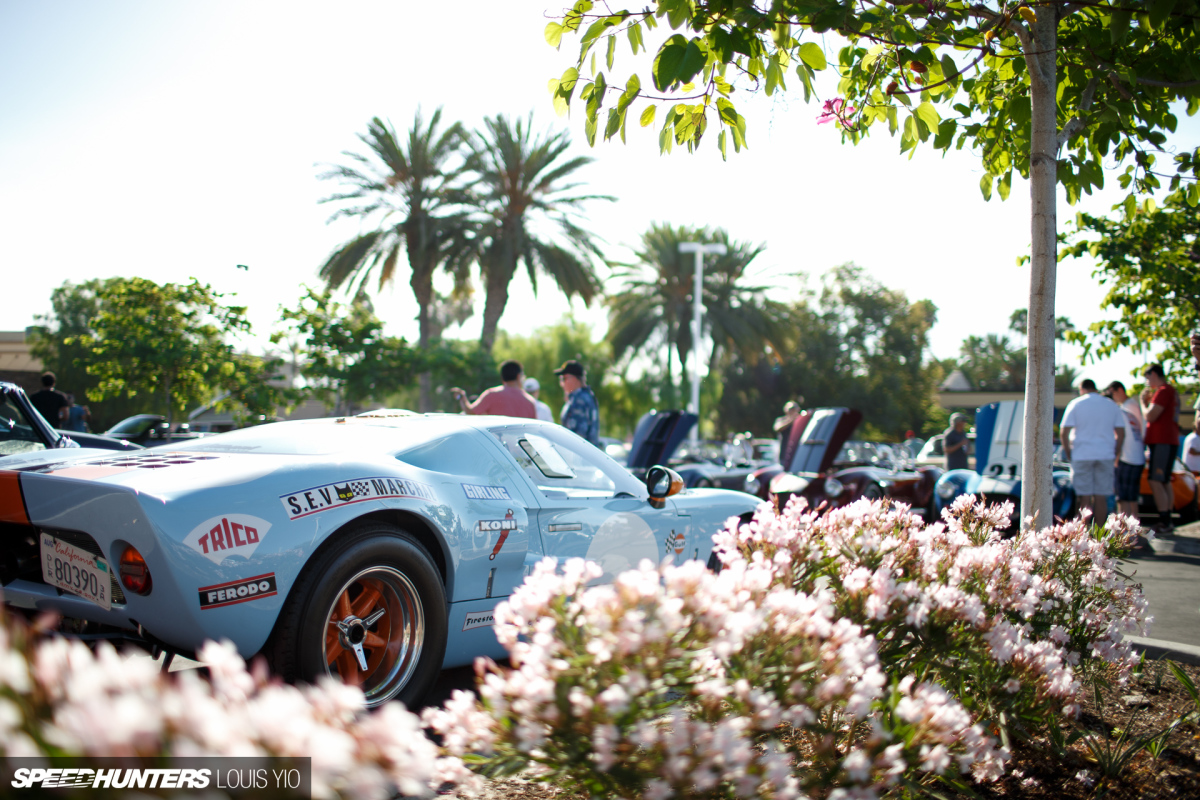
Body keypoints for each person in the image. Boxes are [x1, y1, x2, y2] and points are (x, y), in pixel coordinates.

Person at [1061, 379, 1125, 528]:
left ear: (1082, 389)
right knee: (1101, 497)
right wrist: (1115, 452)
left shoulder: (1076, 403)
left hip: (1082, 454)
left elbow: (1064, 431)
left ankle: (1082, 535)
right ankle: (1099, 536)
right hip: (1105, 454)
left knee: (1084, 498)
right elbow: (1121, 433)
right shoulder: (1111, 405)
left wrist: (1069, 452)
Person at [1142, 363, 1179, 533]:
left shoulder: (1164, 390)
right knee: (1163, 480)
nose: (1147, 381)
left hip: (1163, 441)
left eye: (1148, 377)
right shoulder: (1167, 390)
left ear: (1155, 374)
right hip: (1166, 441)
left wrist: (1143, 403)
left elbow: (1150, 415)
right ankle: (1167, 519)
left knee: (1156, 480)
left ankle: (1165, 520)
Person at [1104, 381, 1145, 522]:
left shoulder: (1118, 412)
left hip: (1126, 458)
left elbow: (1119, 437)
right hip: (1138, 457)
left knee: (1122, 498)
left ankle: (1124, 530)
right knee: (1132, 498)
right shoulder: (1128, 411)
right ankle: (1134, 528)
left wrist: (1115, 458)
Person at [450, 360, 537, 419]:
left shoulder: (492, 395)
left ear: (502, 377)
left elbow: (471, 413)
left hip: (495, 445)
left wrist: (462, 397)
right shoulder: (529, 401)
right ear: (518, 376)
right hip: (518, 445)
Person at [554, 359, 600, 446]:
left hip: (579, 456)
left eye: (564, 378)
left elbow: (577, 437)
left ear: (575, 379)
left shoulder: (579, 400)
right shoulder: (585, 396)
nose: (562, 383)